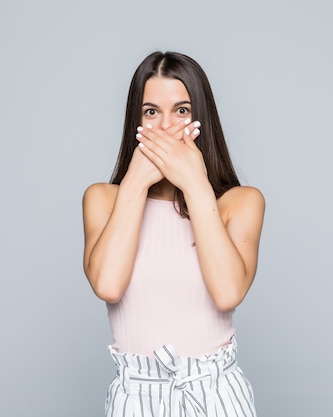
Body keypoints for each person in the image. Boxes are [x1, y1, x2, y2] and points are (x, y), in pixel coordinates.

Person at [82, 51, 265, 417]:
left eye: (181, 110)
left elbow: (228, 293)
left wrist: (196, 185)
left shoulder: (240, 203)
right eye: (151, 112)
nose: (166, 126)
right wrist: (135, 179)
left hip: (215, 394)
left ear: (201, 119)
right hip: (136, 396)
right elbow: (108, 286)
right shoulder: (102, 199)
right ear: (136, 120)